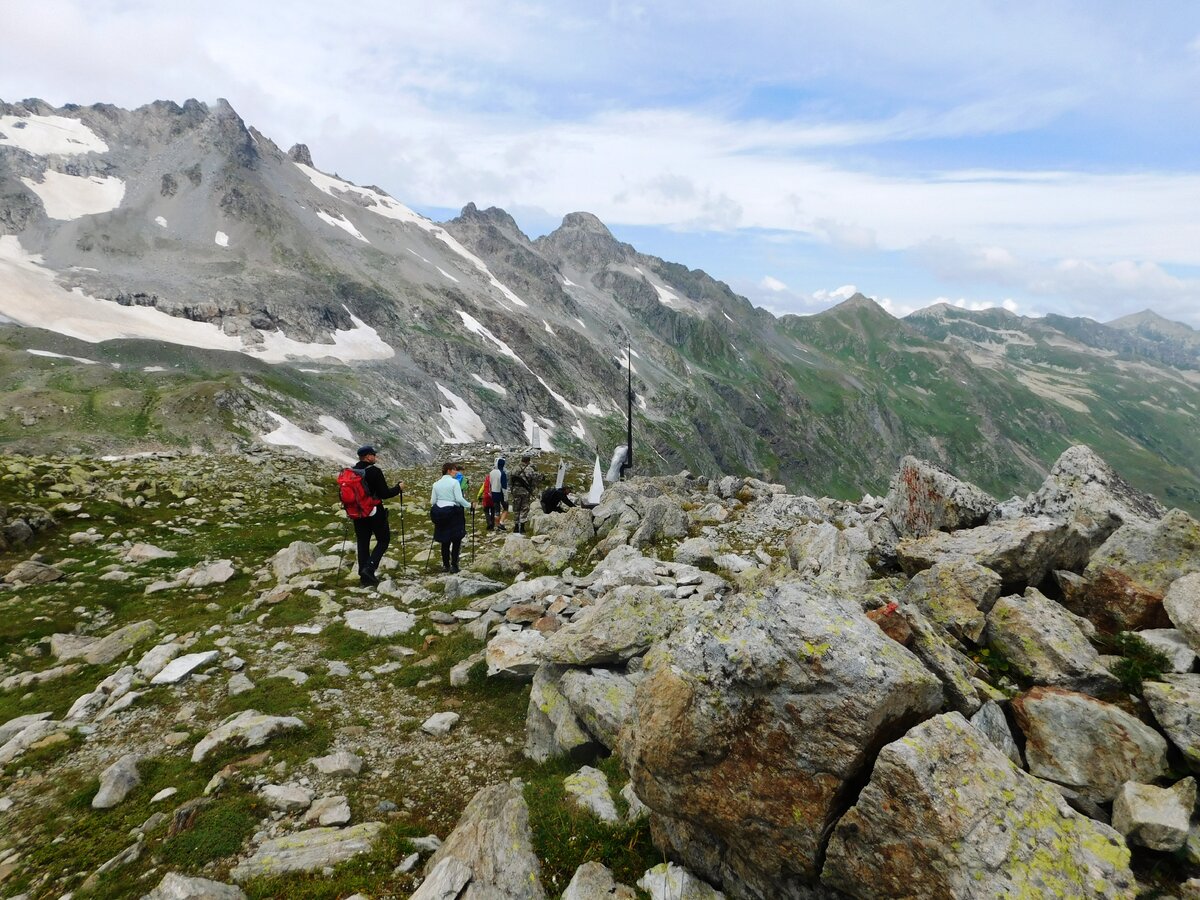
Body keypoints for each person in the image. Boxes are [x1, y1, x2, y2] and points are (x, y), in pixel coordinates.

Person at [351, 445, 404, 586]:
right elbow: (384, 493)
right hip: (374, 511)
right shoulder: (374, 471)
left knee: (363, 542)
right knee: (383, 540)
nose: (375, 457)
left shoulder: (352, 472)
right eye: (373, 455)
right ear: (368, 457)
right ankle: (369, 568)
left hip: (357, 512)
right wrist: (398, 488)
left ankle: (364, 579)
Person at [430, 461, 470, 573]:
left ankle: (445, 565)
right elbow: (459, 499)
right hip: (453, 513)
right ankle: (454, 565)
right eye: (454, 470)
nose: (456, 472)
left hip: (440, 514)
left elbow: (433, 501)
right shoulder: (454, 483)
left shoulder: (436, 484)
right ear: (449, 471)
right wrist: (469, 505)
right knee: (456, 540)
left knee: (445, 541)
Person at [509, 454, 541, 534]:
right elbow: (534, 481)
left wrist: (512, 490)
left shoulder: (514, 468)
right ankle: (522, 527)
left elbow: (510, 480)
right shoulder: (530, 469)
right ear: (528, 461)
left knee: (516, 508)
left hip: (516, 490)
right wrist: (532, 490)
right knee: (524, 508)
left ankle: (516, 527)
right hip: (525, 491)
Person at [487, 457, 509, 531]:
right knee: (505, 508)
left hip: (493, 492)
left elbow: (490, 483)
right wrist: (506, 497)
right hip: (501, 492)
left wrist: (490, 492)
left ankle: (497, 525)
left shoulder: (492, 472)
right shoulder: (502, 473)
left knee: (497, 510)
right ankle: (501, 522)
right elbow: (504, 486)